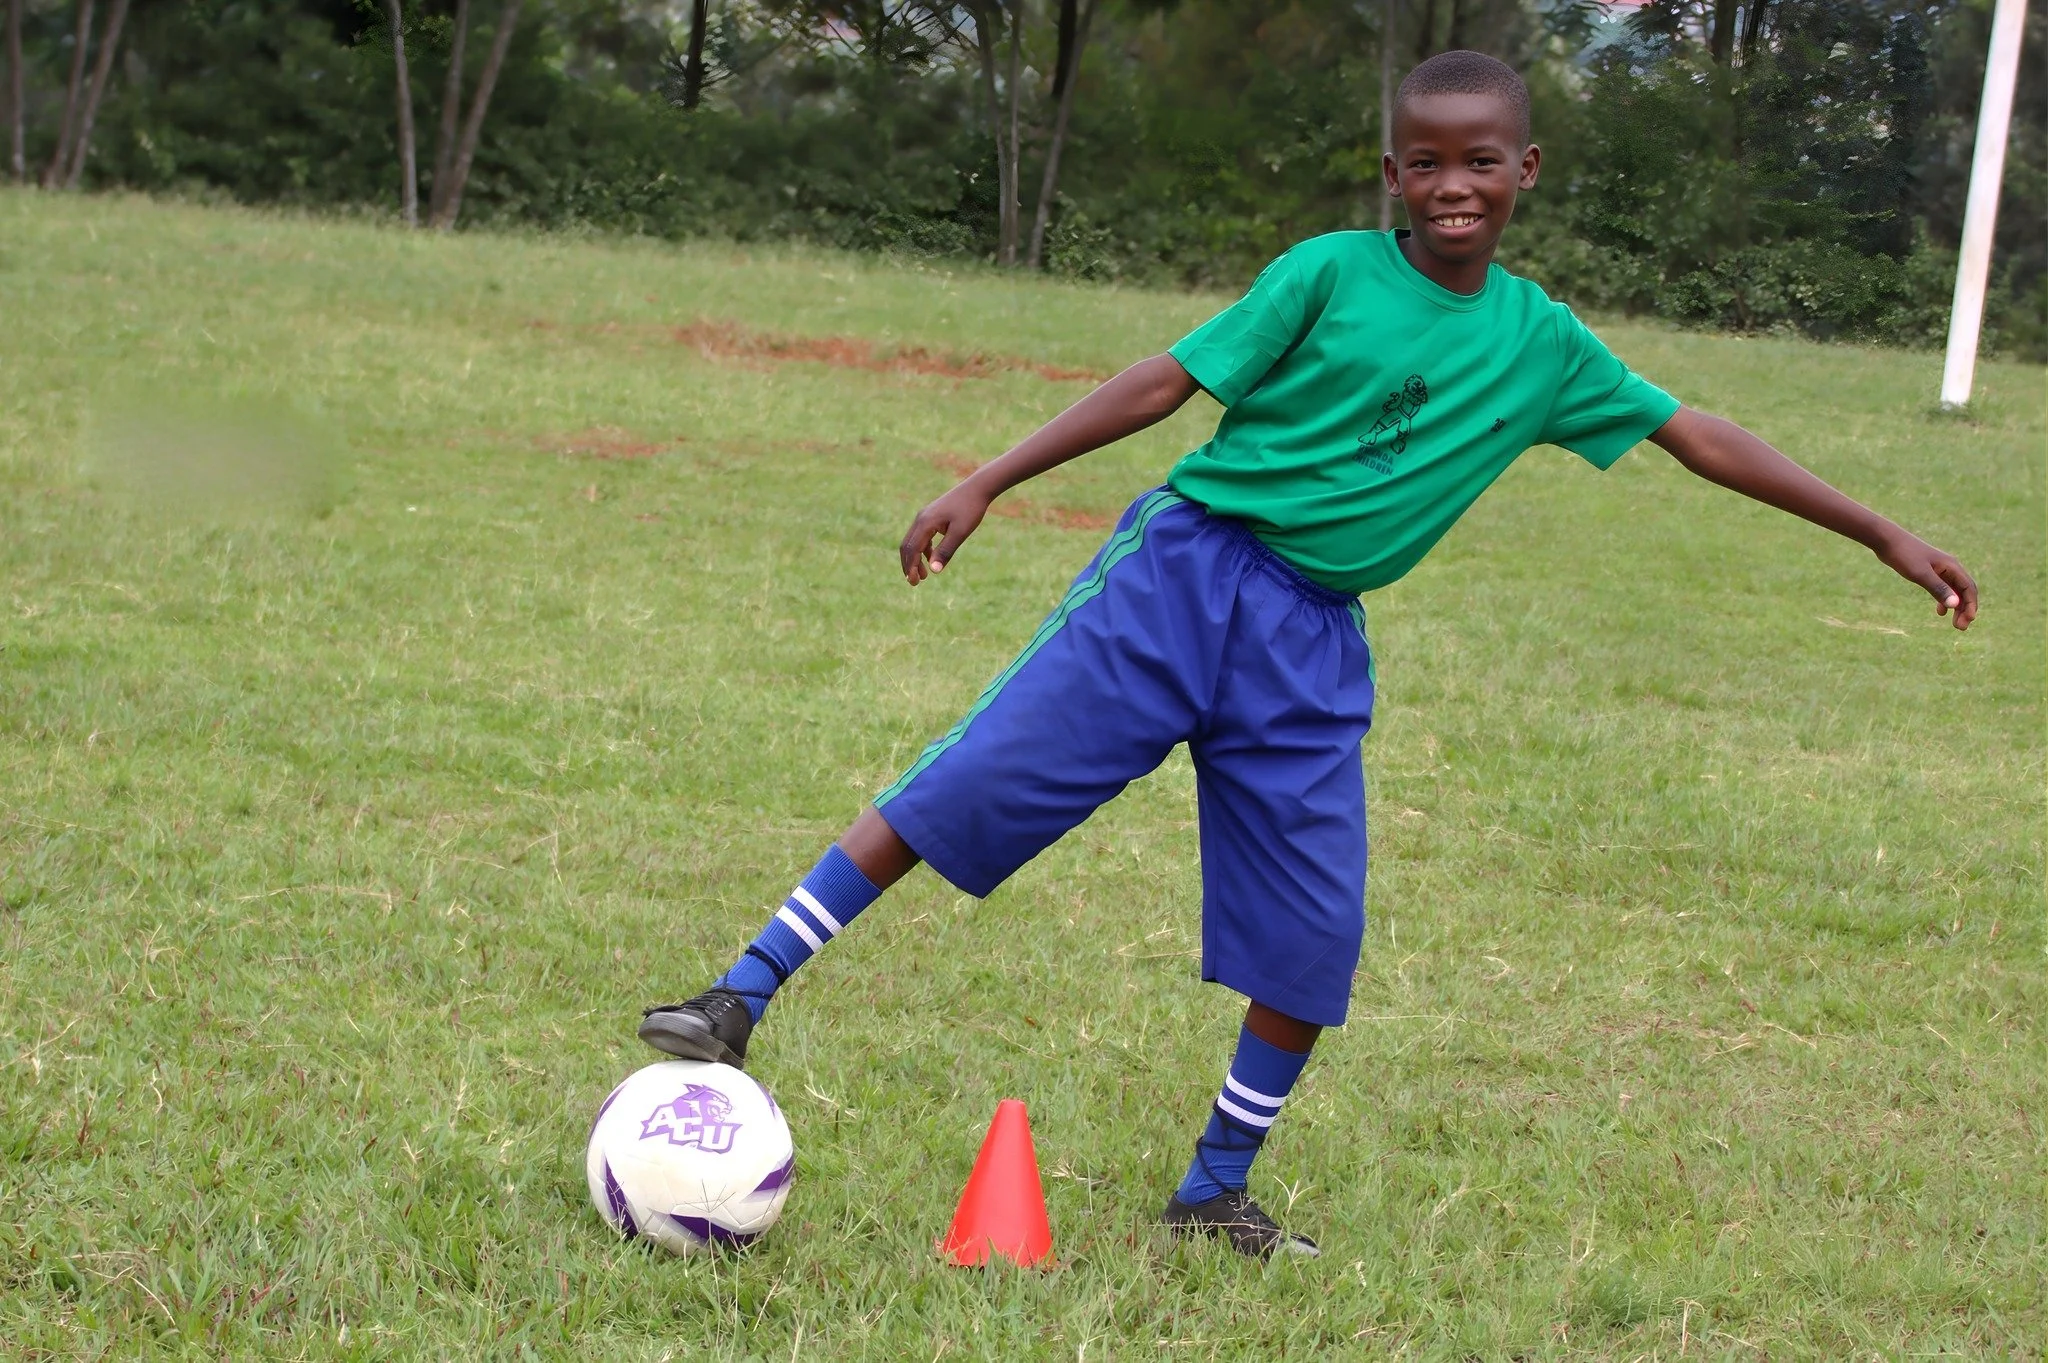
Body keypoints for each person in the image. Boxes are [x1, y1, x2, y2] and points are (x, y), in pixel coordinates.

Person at [637, 50, 1979, 1259]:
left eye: (1482, 161)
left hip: (1311, 643)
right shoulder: (1328, 272)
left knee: (1314, 935)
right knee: (978, 781)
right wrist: (988, 476)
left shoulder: (1543, 343)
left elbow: (1699, 435)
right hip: (1185, 578)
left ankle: (1214, 1188)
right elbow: (1168, 379)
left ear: (1526, 172)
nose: (1456, 185)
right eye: (1429, 162)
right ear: (1394, 173)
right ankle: (740, 992)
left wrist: (1875, 529)